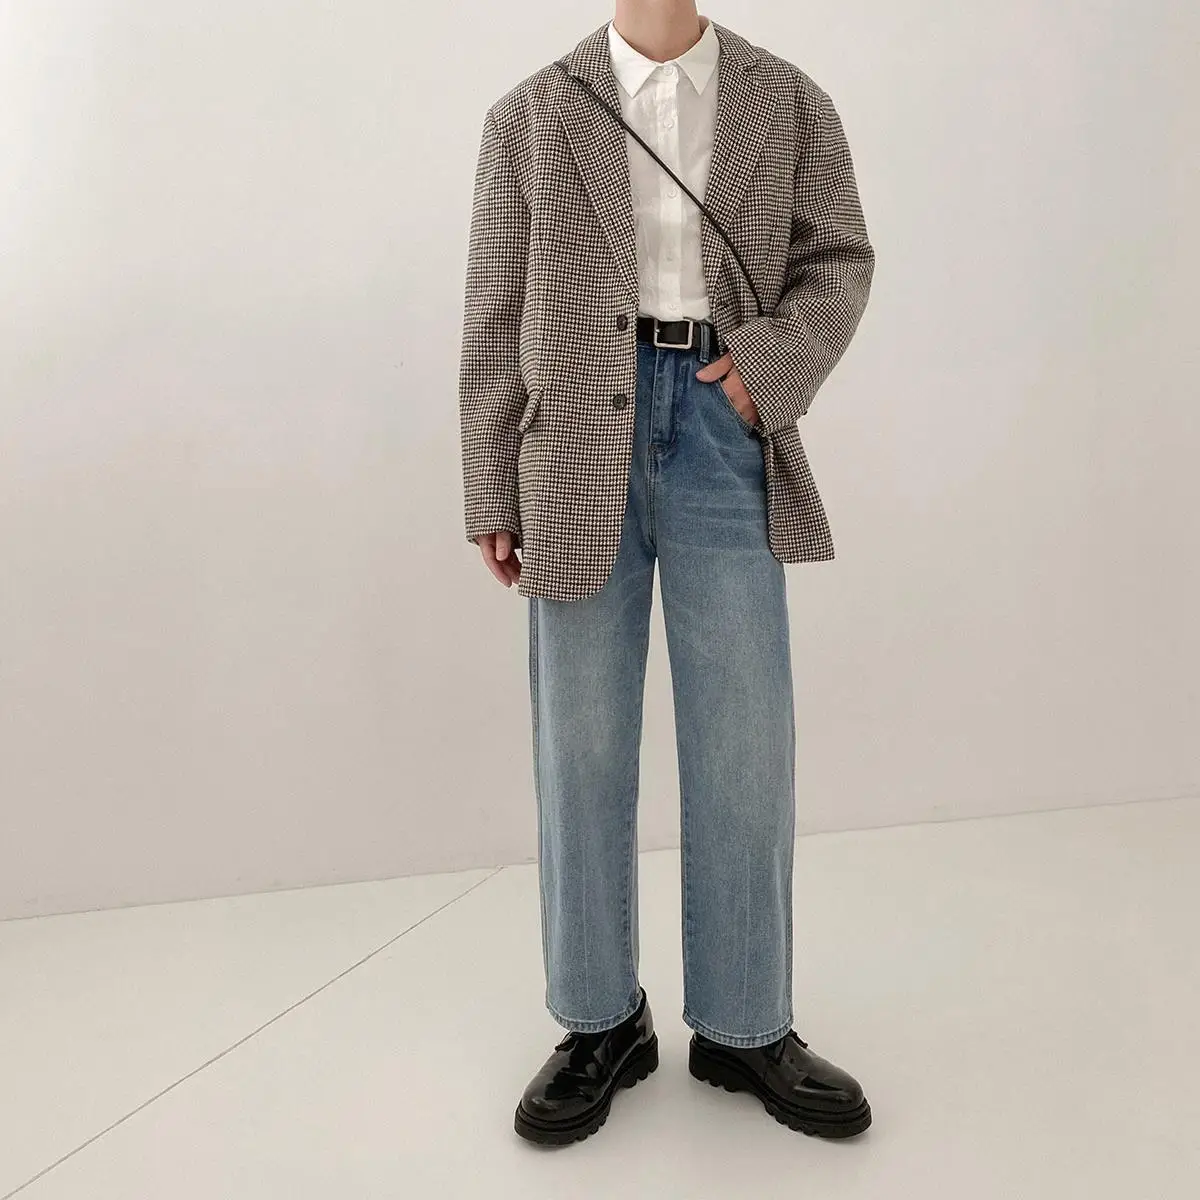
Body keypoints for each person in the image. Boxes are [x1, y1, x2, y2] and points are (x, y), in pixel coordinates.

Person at [458, 2, 876, 1146]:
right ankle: (600, 1020)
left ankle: (745, 1024)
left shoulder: (787, 100)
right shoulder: (528, 117)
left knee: (745, 738)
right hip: (570, 445)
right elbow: (496, 306)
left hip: (719, 421)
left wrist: (765, 369)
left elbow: (839, 260)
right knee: (580, 742)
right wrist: (490, 483)